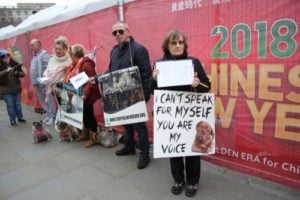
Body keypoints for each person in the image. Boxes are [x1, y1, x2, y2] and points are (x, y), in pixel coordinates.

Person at [152, 29, 211, 197]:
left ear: (184, 45)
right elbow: (152, 91)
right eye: (174, 43)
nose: (178, 45)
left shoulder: (194, 62)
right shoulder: (158, 64)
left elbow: (207, 87)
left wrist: (197, 84)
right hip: (170, 115)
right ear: (167, 46)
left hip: (190, 113)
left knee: (192, 149)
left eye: (180, 42)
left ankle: (192, 182)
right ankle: (178, 179)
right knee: (174, 149)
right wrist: (154, 79)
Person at [92, 21, 152, 169]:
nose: (118, 35)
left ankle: (145, 154)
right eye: (115, 33)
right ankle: (129, 147)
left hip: (136, 95)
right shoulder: (114, 51)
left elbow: (146, 74)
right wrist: (97, 78)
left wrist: (145, 95)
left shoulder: (139, 49)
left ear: (128, 31)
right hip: (119, 94)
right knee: (126, 122)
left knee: (139, 125)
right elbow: (111, 71)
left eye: (120, 31)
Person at [63, 44, 100, 148]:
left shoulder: (86, 64)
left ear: (74, 54)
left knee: (89, 116)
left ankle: (93, 138)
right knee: (83, 115)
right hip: (79, 93)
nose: (69, 56)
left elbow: (90, 81)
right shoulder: (76, 64)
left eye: (70, 54)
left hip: (87, 94)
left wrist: (85, 94)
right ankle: (85, 134)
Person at [29, 39, 56, 125]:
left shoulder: (44, 55)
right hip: (37, 83)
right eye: (30, 45)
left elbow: (49, 69)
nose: (31, 47)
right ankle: (48, 115)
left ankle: (53, 117)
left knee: (49, 100)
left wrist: (45, 80)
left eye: (32, 45)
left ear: (39, 45)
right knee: (43, 101)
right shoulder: (35, 55)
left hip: (44, 83)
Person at [0, 49, 27, 126]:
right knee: (10, 106)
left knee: (18, 105)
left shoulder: (14, 64)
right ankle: (12, 120)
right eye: (4, 58)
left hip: (17, 89)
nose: (6, 59)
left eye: (8, 57)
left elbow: (22, 74)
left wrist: (16, 72)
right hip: (6, 91)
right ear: (1, 59)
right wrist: (6, 71)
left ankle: (20, 117)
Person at [43, 36, 72, 104]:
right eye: (56, 49)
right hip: (54, 89)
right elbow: (47, 71)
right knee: (60, 105)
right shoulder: (52, 59)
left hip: (66, 90)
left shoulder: (69, 59)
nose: (58, 51)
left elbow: (72, 74)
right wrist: (45, 77)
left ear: (65, 49)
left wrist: (67, 70)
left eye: (60, 49)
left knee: (66, 107)